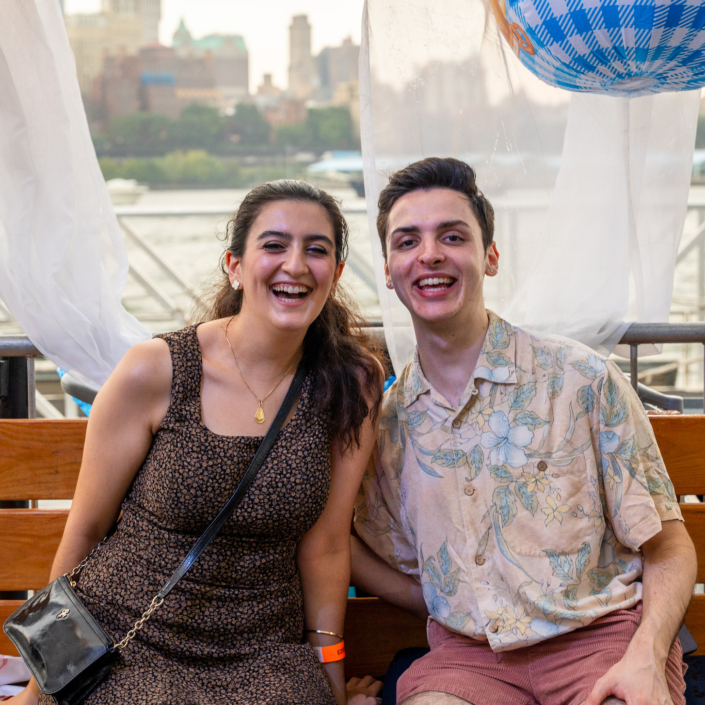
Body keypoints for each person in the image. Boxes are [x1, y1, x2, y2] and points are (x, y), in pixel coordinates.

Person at [10, 180, 384, 705]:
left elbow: (324, 547)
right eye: (274, 245)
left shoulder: (351, 383)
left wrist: (331, 680)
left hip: (262, 653)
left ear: (336, 274)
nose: (296, 265)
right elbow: (87, 529)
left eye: (316, 249)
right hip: (130, 635)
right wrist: (40, 686)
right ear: (235, 265)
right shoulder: (157, 369)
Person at [352, 158, 697, 705]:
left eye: (452, 236)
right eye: (407, 241)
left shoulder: (579, 379)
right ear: (391, 270)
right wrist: (448, 602)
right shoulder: (388, 421)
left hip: (602, 643)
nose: (430, 254)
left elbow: (669, 546)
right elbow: (358, 548)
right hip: (468, 662)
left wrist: (647, 654)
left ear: (489, 257)